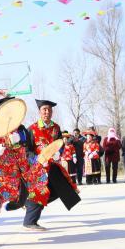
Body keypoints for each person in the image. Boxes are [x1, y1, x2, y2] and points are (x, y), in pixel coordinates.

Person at [0, 96, 49, 248]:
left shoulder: (21, 129)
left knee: (23, 197)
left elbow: (27, 145)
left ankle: (10, 205)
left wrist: (38, 157)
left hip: (16, 172)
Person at [23, 99, 81, 230]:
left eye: (49, 110)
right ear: (39, 112)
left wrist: (58, 153)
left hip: (52, 165)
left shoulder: (56, 128)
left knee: (62, 189)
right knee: (40, 192)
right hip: (38, 167)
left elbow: (60, 144)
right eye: (44, 109)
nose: (47, 112)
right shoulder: (31, 129)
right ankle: (30, 221)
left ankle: (30, 203)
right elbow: (26, 150)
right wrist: (36, 159)